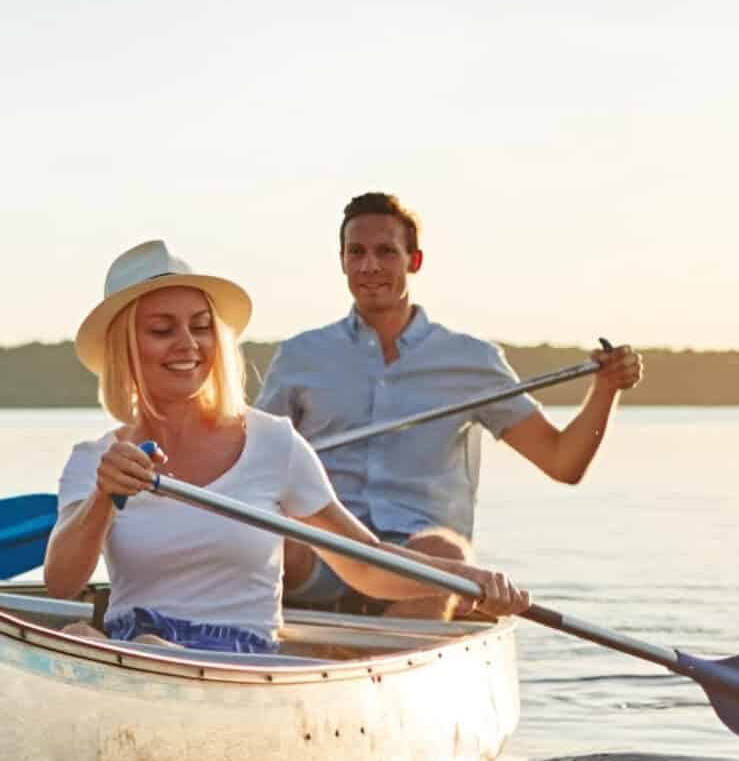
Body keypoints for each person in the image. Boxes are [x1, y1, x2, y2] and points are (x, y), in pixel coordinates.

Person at [43, 240, 529, 652]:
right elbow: (62, 583)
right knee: (81, 635)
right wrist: (104, 499)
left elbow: (365, 563)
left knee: (124, 647)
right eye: (162, 330)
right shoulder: (93, 461)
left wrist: (469, 579)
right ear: (125, 348)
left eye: (201, 325)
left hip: (241, 664)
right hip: (129, 654)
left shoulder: (274, 443)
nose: (188, 343)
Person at [259, 192, 644, 618]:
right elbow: (254, 462)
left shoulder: (470, 361)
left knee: (444, 550)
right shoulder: (300, 356)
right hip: (330, 552)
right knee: (268, 536)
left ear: (414, 261)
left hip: (427, 564)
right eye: (357, 252)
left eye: (386, 252)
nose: (370, 266)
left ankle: (372, 665)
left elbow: (562, 462)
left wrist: (607, 389)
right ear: (342, 261)